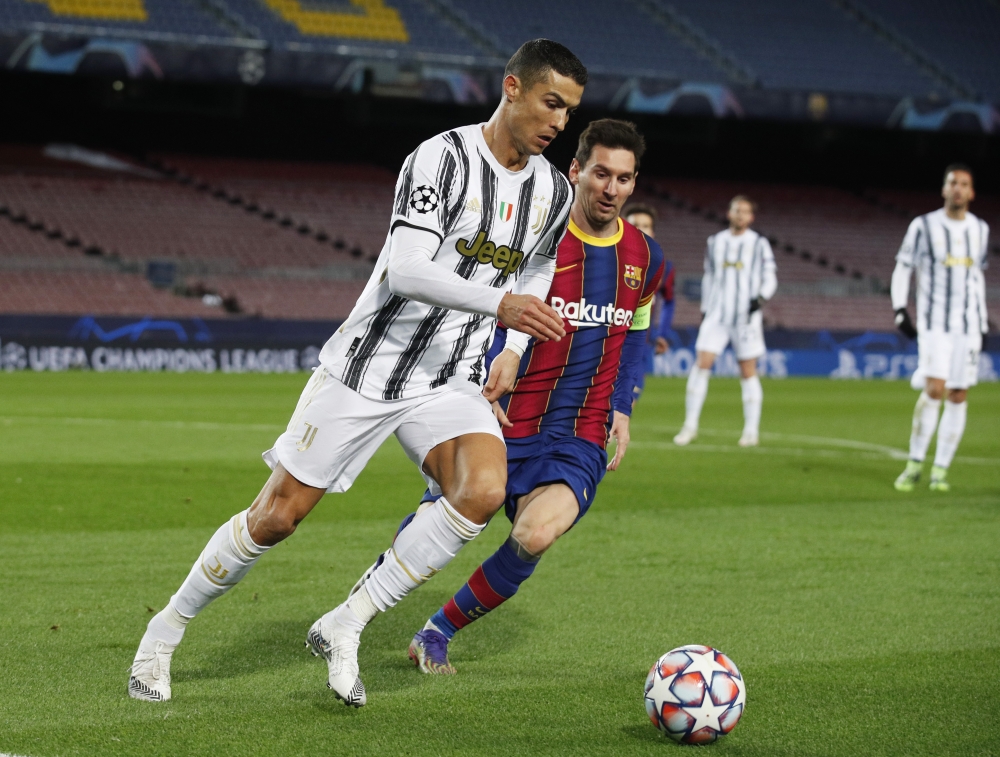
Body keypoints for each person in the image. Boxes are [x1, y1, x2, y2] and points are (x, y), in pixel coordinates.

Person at [128, 39, 587, 707]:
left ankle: (349, 619)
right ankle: (164, 631)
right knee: (278, 516)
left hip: (449, 373)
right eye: (551, 103)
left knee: (483, 489)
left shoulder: (553, 188)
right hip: (368, 366)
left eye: (569, 112)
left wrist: (512, 342)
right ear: (512, 87)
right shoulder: (441, 158)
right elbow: (405, 267)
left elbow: (538, 266)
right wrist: (500, 302)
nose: (558, 122)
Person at [351, 119, 664, 674]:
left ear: (634, 183)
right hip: (502, 414)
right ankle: (354, 613)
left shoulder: (645, 258)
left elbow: (636, 330)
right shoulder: (531, 240)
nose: (610, 189)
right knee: (447, 519)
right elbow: (472, 309)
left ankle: (437, 631)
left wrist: (622, 403)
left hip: (578, 432)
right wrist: (475, 380)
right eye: (600, 174)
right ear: (576, 171)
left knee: (537, 533)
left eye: (623, 178)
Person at [891, 164, 989, 492]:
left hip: (969, 325)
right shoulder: (923, 226)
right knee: (935, 387)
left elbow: (977, 277)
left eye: (964, 184)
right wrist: (900, 309)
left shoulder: (980, 229)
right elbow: (904, 267)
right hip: (935, 323)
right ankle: (914, 463)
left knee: (958, 394)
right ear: (944, 189)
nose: (958, 189)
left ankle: (941, 470)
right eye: (953, 183)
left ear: (971, 192)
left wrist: (983, 320)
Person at [673, 196, 776, 448]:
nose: (740, 214)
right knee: (702, 364)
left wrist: (761, 299)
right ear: (728, 213)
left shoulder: (759, 244)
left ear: (751, 217)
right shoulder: (715, 242)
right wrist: (706, 308)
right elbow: (709, 276)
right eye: (736, 210)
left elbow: (769, 275)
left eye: (745, 211)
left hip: (746, 317)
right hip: (717, 314)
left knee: (747, 370)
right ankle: (689, 426)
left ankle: (751, 431)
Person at [623, 203, 674, 401]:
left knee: (626, 406)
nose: (640, 229)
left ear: (652, 231)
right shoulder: (608, 256)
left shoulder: (664, 267)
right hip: (605, 341)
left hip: (639, 343)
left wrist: (662, 333)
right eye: (635, 224)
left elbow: (669, 301)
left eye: (645, 225)